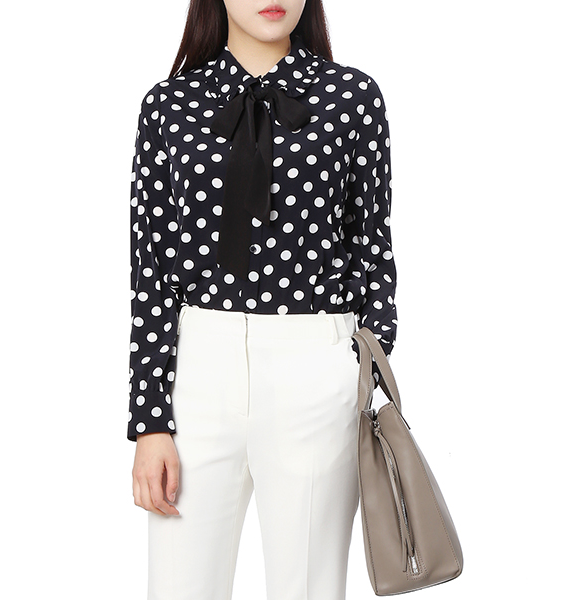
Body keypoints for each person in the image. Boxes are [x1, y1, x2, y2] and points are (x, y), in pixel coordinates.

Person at [128, 1, 398, 598]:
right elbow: (152, 271)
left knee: (309, 589)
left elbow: (371, 248)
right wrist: (149, 422)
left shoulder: (352, 98)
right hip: (198, 374)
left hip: (316, 368)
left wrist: (361, 377)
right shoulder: (168, 106)